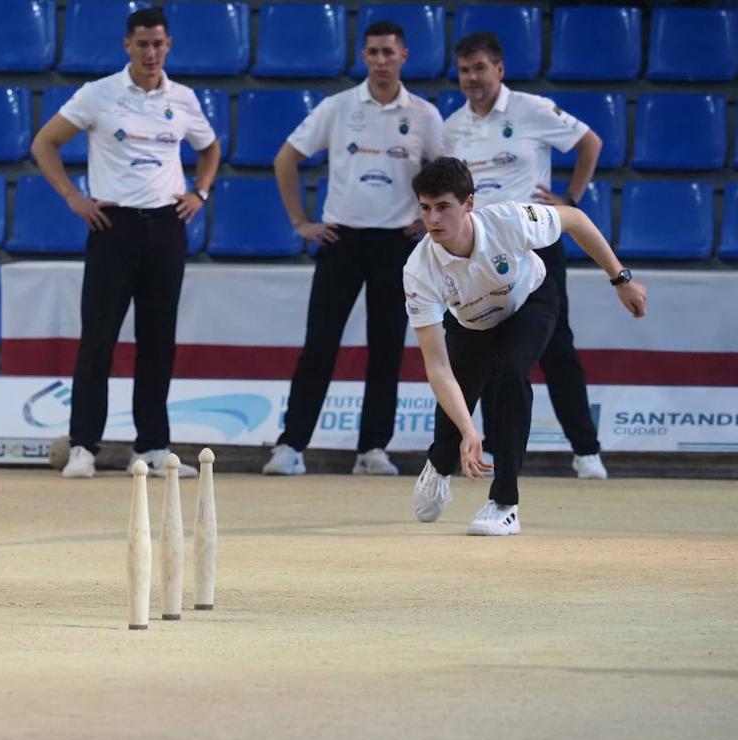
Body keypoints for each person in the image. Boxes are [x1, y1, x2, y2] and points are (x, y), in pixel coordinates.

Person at [405, 157, 647, 536]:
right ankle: (438, 465)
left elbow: (577, 221)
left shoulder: (509, 219)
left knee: (510, 376)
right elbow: (438, 368)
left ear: (469, 203)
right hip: (472, 322)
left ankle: (504, 503)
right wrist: (470, 432)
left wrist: (621, 279)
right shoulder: (419, 270)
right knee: (457, 405)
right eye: (425, 208)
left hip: (530, 300)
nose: (433, 219)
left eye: (443, 207)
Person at [30, 7, 221, 479]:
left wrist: (201, 191)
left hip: (167, 227)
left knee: (158, 341)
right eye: (142, 44)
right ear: (127, 46)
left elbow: (210, 147)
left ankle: (153, 446)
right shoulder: (100, 94)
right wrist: (72, 195)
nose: (151, 53)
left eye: (158, 44)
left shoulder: (184, 98)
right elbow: (44, 143)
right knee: (99, 338)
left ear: (168, 45)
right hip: (112, 227)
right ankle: (83, 447)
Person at [262, 21, 444, 478]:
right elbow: (285, 158)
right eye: (373, 53)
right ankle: (290, 446)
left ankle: (372, 449)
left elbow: (449, 179)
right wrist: (300, 222)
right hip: (340, 239)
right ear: (363, 57)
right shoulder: (338, 108)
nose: (381, 61)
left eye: (389, 52)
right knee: (319, 346)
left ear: (404, 55)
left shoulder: (424, 115)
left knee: (387, 349)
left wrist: (427, 222)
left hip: (397, 245)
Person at [445, 32, 610, 480]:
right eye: (464, 70)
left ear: (499, 69)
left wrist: (570, 198)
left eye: (480, 68)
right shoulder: (452, 127)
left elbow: (589, 143)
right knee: (491, 349)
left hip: (535, 242)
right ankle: (497, 449)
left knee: (557, 347)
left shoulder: (532, 109)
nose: (472, 78)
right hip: (479, 252)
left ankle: (585, 449)